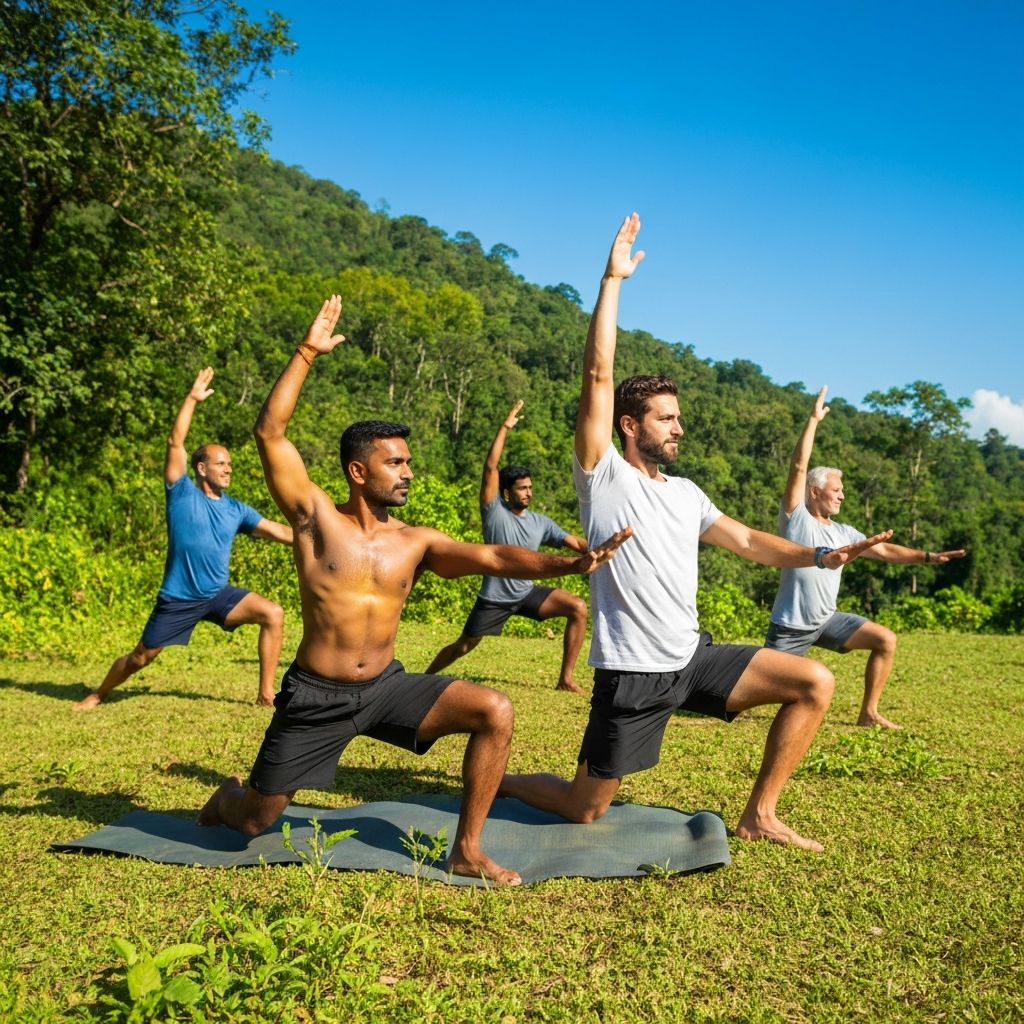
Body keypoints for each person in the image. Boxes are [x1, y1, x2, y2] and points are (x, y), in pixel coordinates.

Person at [198, 296, 631, 885]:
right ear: (358, 472)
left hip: (385, 687)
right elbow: (269, 431)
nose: (407, 472)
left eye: (408, 462)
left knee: (493, 710)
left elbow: (496, 556)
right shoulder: (315, 519)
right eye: (395, 463)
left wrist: (566, 564)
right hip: (315, 697)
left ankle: (467, 849)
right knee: (254, 822)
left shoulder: (417, 542)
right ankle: (229, 797)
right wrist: (306, 353)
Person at [500, 213, 892, 852]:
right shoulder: (602, 476)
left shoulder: (684, 493)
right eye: (666, 418)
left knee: (815, 683)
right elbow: (598, 375)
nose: (679, 428)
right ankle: (510, 782)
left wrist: (822, 553)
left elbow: (748, 542)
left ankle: (759, 813)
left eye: (679, 417)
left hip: (693, 655)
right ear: (630, 425)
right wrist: (611, 280)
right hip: (633, 672)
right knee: (584, 808)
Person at [74, 368, 293, 711]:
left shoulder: (237, 510)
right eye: (220, 463)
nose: (228, 468)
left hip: (218, 594)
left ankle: (266, 696)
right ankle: (98, 693)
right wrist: (192, 398)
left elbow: (281, 532)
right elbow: (175, 442)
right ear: (201, 468)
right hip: (178, 598)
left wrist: (322, 532)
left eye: (230, 464)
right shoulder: (181, 493)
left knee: (273, 613)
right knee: (139, 658)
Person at [765, 386, 967, 731]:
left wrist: (929, 557)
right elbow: (799, 465)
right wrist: (813, 421)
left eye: (843, 490)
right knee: (755, 690)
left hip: (826, 621)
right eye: (836, 490)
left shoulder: (845, 531)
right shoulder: (795, 517)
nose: (842, 495)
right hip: (790, 627)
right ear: (815, 492)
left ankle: (868, 713)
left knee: (885, 639)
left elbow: (887, 551)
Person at [426, 400, 591, 693]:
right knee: (464, 645)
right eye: (522, 488)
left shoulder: (541, 522)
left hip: (527, 593)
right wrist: (505, 427)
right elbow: (490, 467)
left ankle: (565, 679)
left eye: (530, 487)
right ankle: (423, 680)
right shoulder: (494, 512)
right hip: (495, 598)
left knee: (577, 607)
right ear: (507, 491)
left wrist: (604, 548)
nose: (528, 492)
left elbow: (576, 542)